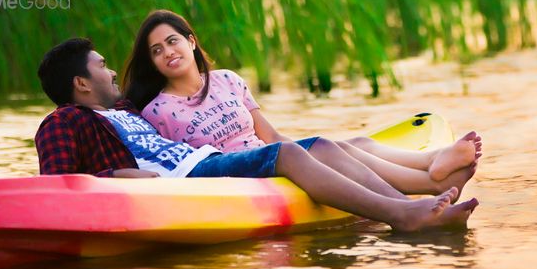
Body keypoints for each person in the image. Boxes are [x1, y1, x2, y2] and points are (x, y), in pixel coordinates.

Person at [34, 38, 478, 232]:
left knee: (322, 145)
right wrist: (117, 177)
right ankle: (404, 214)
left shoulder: (125, 109)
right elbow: (56, 186)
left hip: (201, 163)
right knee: (285, 152)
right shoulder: (64, 121)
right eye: (101, 66)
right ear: (80, 83)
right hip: (186, 181)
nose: (111, 71)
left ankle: (417, 198)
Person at [122, 10, 483, 198]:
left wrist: (309, 158)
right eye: (157, 50)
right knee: (331, 148)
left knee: (346, 145)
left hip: (274, 158)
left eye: (173, 42)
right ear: (152, 62)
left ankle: (429, 162)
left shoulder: (228, 80)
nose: (168, 52)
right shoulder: (157, 111)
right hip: (238, 179)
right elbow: (182, 165)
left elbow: (271, 135)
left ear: (192, 41)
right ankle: (428, 185)